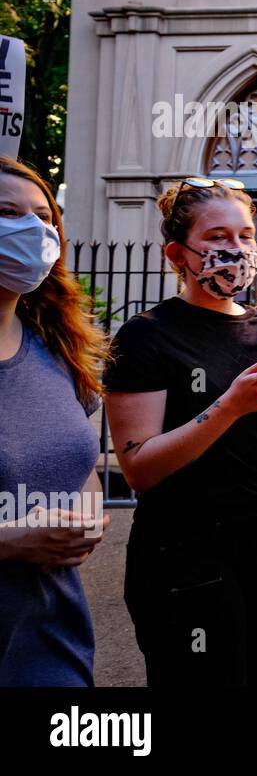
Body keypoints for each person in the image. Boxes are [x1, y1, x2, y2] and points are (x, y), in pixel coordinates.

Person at [103, 177, 257, 686]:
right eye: (219, 237)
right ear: (178, 253)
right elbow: (139, 467)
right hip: (186, 556)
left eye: (245, 236)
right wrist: (228, 407)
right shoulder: (146, 336)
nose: (237, 249)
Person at [0, 156, 111, 686]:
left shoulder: (55, 348)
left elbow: (78, 466)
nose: (34, 230)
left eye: (45, 217)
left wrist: (83, 519)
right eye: (7, 212)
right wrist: (9, 540)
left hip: (50, 649)